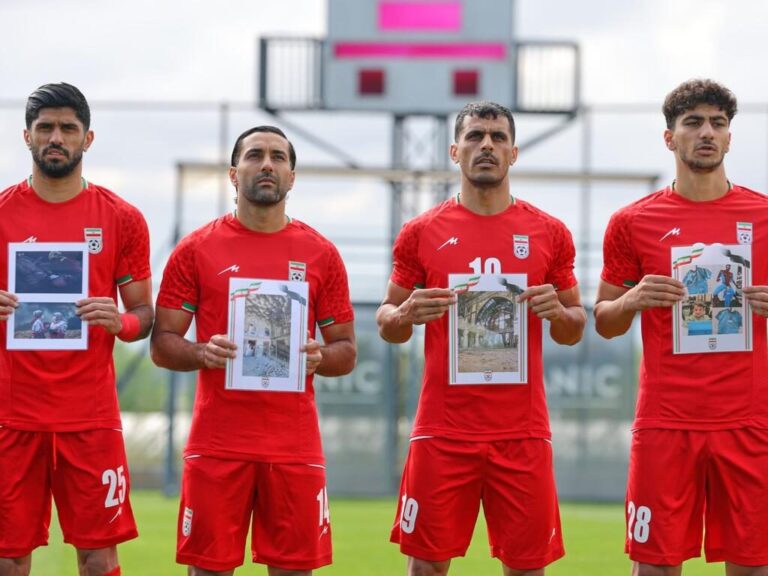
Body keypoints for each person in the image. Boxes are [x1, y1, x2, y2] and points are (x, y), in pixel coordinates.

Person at [376, 101, 586, 576]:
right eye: (475, 136)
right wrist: (406, 312)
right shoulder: (420, 232)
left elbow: (574, 328)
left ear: (514, 153)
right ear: (455, 150)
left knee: (527, 567)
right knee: (427, 565)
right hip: (443, 430)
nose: (486, 145)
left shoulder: (549, 232)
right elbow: (388, 320)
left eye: (497, 137)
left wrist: (559, 312)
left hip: (522, 431)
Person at [150, 125, 356, 576]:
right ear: (233, 172)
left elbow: (346, 350)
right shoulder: (196, 250)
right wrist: (202, 352)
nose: (267, 164)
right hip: (218, 443)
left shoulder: (321, 254)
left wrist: (320, 356)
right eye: (255, 155)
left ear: (292, 176)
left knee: (294, 570)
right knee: (208, 570)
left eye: (279, 157)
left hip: (293, 445)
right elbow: (162, 345)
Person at [594, 79, 768, 575]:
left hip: (749, 423)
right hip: (666, 423)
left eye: (718, 123)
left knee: (754, 565)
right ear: (670, 138)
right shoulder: (632, 222)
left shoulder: (763, 216)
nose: (707, 132)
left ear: (731, 137)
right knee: (654, 567)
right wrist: (632, 298)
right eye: (693, 122)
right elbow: (604, 322)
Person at [0, 83, 154, 576]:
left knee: (98, 558)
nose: (56, 138)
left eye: (68, 128)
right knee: (8, 557)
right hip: (11, 415)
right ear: (26, 136)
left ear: (88, 139)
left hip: (90, 419)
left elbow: (144, 315)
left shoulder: (121, 218)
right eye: (45, 128)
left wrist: (121, 320)